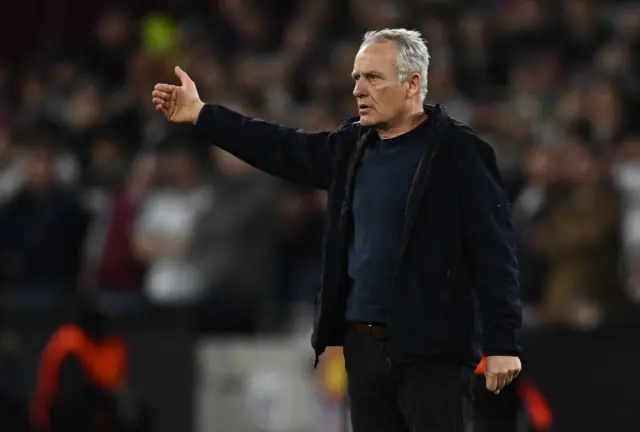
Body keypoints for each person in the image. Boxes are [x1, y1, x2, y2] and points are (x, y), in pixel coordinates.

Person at [152, 28, 523, 432]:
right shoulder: (352, 148)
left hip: (433, 352)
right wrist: (204, 115)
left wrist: (502, 343)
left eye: (373, 78)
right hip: (363, 349)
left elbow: (495, 252)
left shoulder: (459, 152)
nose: (359, 90)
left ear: (412, 83)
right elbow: (279, 146)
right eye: (356, 78)